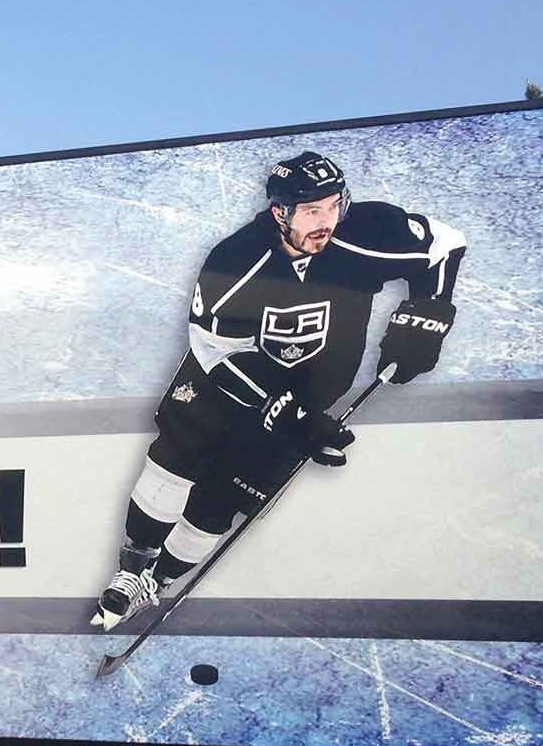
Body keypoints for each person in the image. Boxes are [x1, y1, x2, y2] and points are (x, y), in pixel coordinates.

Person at [91, 150, 468, 630]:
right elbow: (214, 349)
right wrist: (282, 409)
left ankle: (157, 582)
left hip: (310, 394)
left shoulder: (367, 232)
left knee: (226, 498)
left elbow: (445, 245)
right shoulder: (235, 260)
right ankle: (132, 569)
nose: (326, 221)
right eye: (312, 211)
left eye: (334, 206)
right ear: (280, 213)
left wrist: (427, 315)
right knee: (174, 462)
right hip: (223, 380)